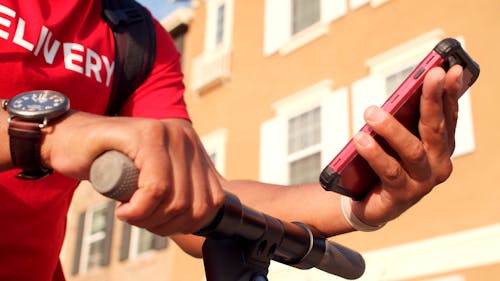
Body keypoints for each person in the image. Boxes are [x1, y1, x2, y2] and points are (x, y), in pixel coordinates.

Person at [0, 0, 466, 280]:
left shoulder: (136, 39)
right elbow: (58, 135)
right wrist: (49, 131)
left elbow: (195, 197)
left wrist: (357, 203)